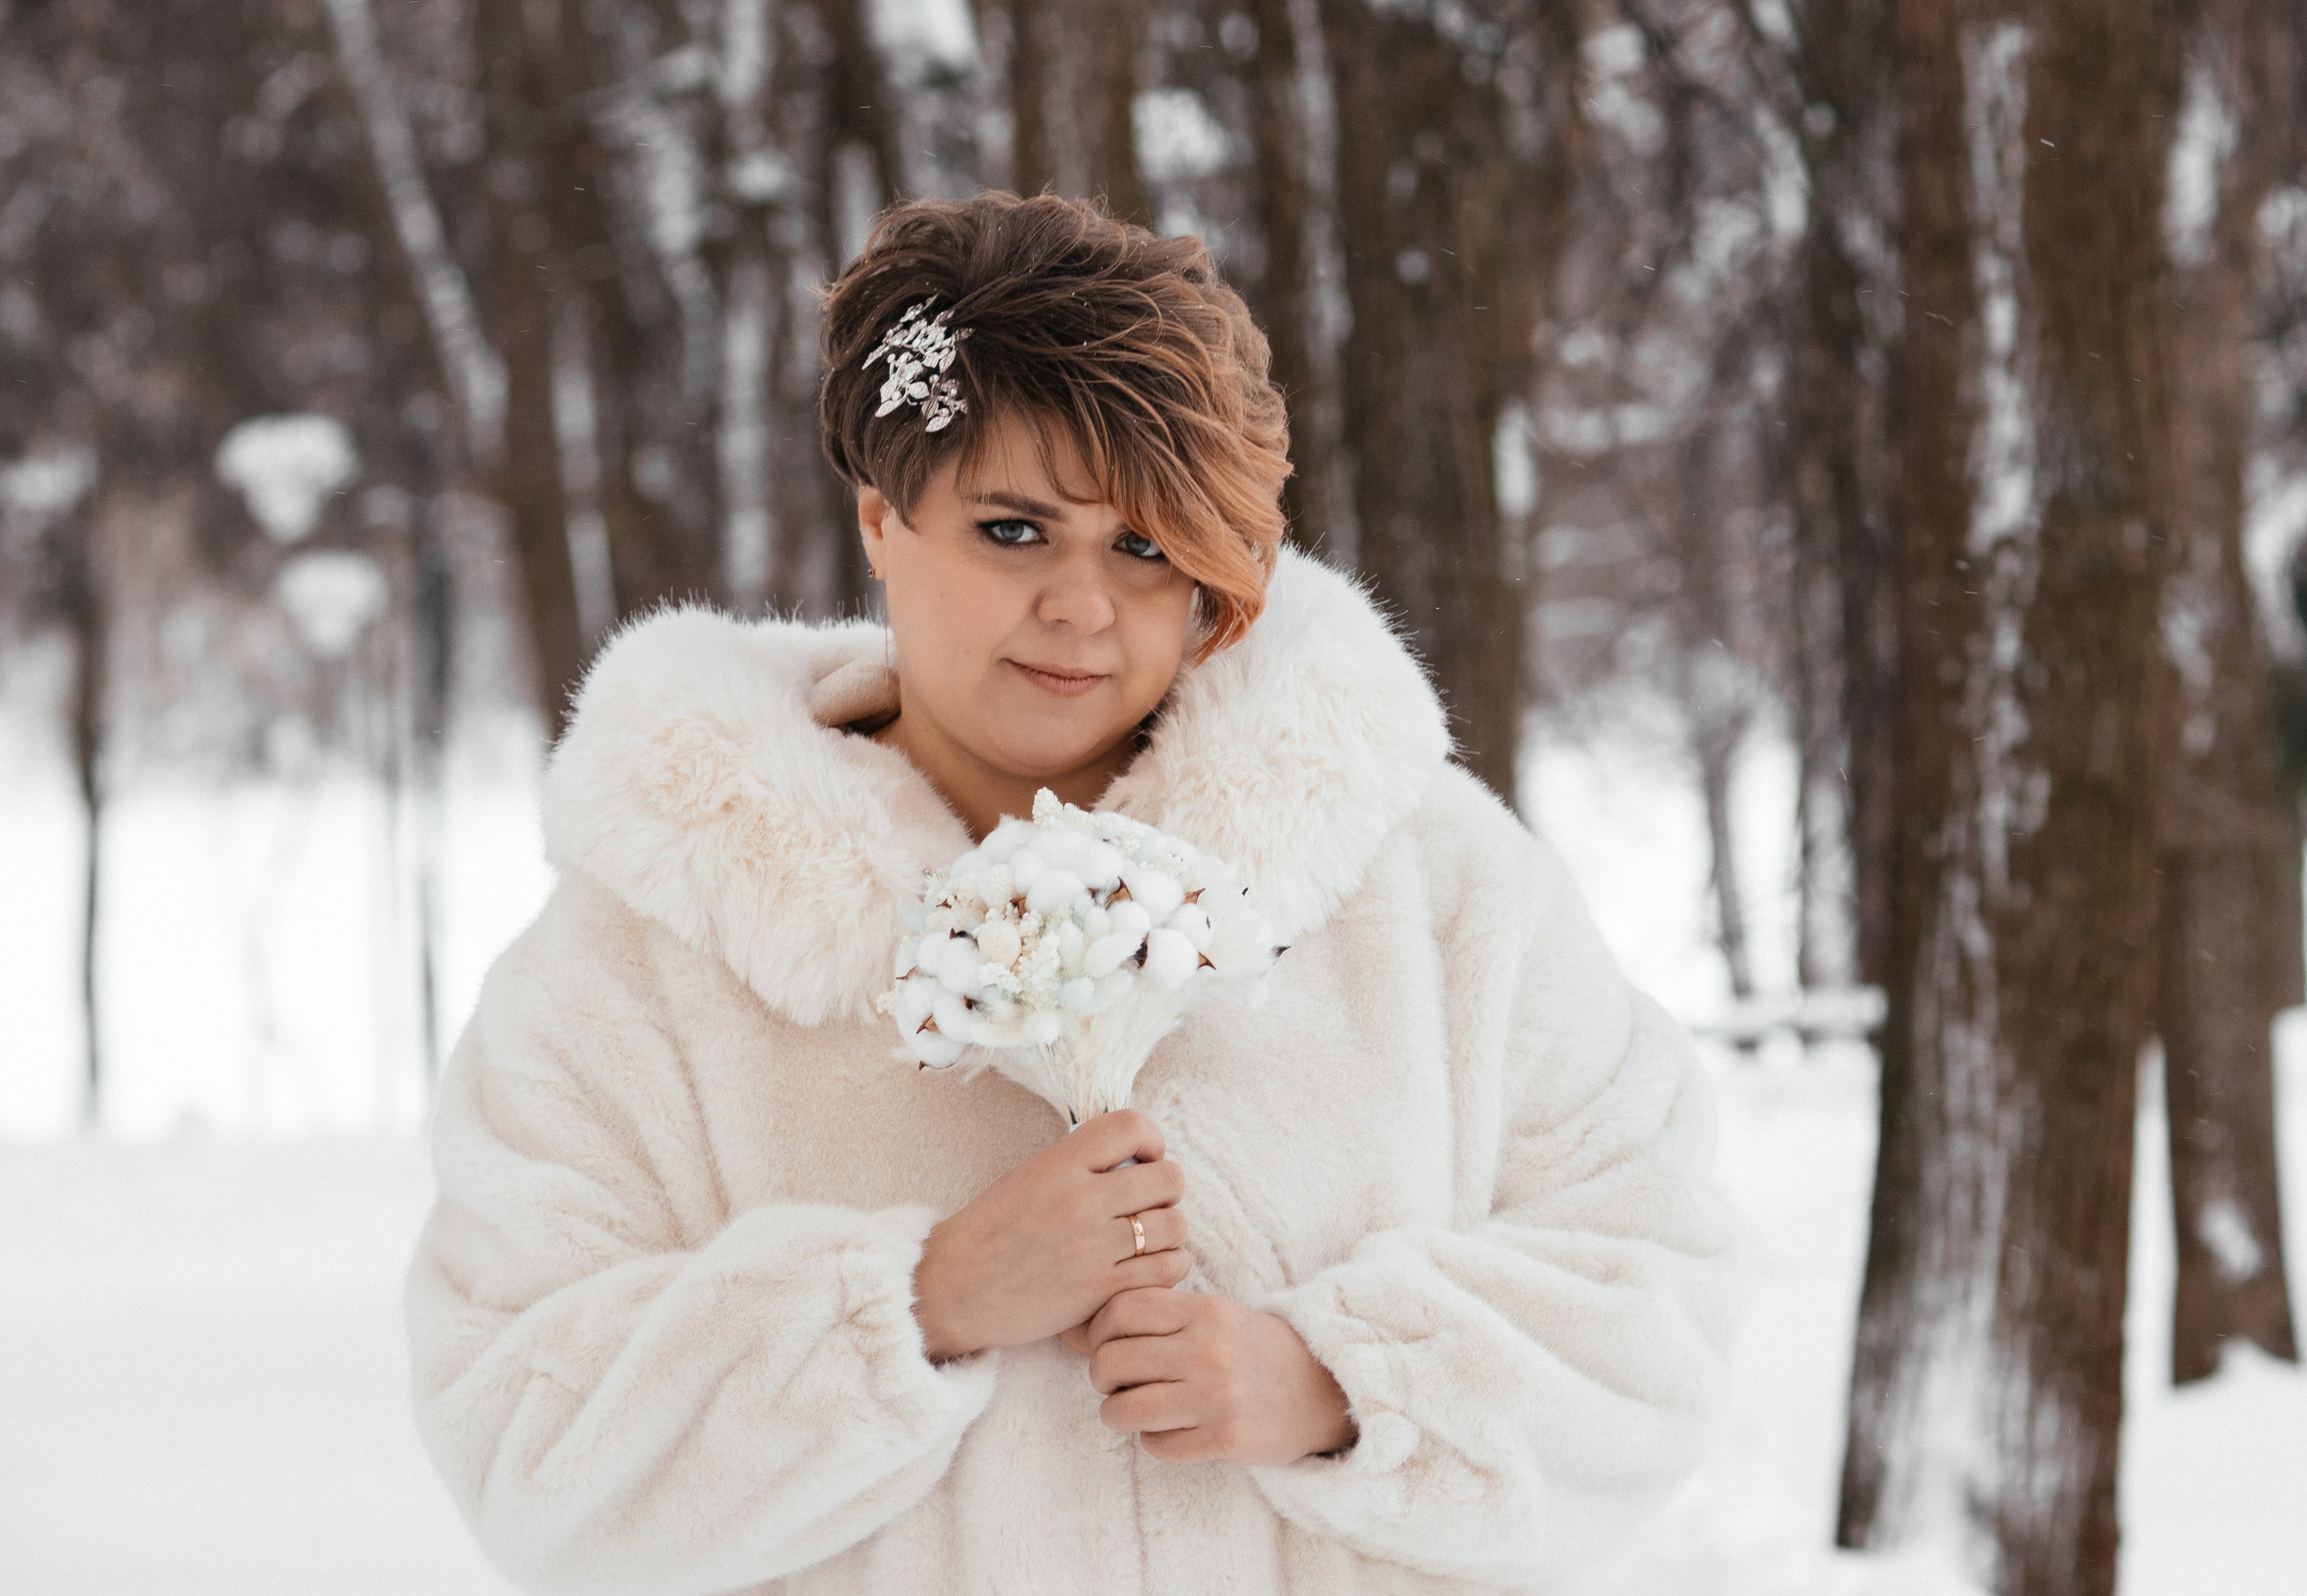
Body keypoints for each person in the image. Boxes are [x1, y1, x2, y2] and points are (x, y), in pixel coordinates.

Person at [405, 192, 1752, 1595]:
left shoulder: (1423, 883)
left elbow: (1662, 1289)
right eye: (1012, 529)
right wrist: (915, 1306)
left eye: (1146, 546)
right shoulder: (652, 939)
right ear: (880, 514)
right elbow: (527, 1438)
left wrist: (1340, 1384)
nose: (1083, 607)